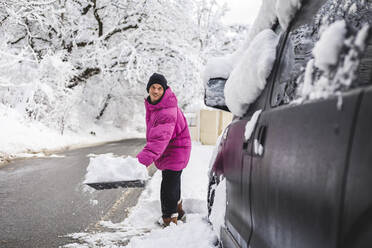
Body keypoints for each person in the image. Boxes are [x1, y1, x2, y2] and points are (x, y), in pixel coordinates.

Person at [136, 73, 192, 226]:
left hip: (175, 151)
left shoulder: (166, 110)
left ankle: (169, 220)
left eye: (159, 88)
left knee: (168, 187)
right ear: (149, 89)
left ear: (164, 90)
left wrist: (140, 163)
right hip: (175, 150)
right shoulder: (158, 106)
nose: (155, 91)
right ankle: (179, 212)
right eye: (153, 87)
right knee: (172, 182)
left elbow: (158, 141)